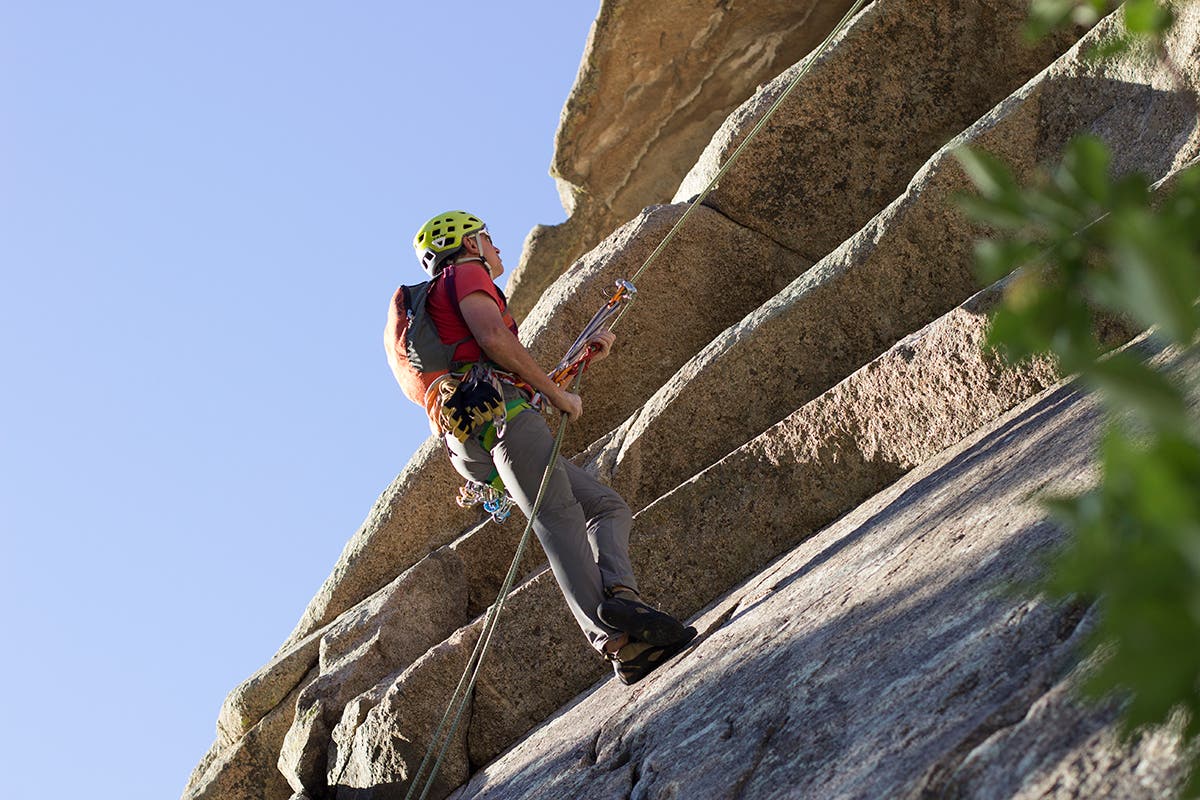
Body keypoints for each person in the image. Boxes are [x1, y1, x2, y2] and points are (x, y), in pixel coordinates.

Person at [394, 210, 695, 685]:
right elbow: (494, 339)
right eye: (488, 238)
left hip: (478, 438)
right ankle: (612, 637)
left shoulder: (434, 312)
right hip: (504, 423)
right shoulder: (465, 274)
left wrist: (580, 360)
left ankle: (623, 602)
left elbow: (497, 371)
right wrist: (558, 397)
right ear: (469, 244)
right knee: (559, 518)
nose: (497, 249)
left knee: (604, 506)